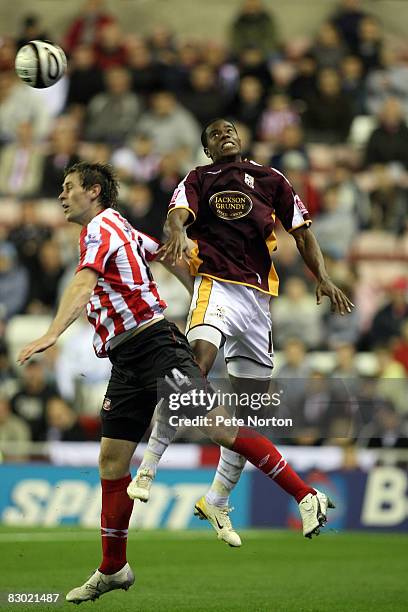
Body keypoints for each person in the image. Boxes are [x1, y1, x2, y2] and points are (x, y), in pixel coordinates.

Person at [18, 162, 335, 603]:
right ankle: (113, 568)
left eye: (68, 188)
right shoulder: (120, 227)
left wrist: (53, 332)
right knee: (111, 462)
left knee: (218, 426)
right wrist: (198, 294)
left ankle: (305, 494)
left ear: (93, 191)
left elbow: (84, 282)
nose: (61, 196)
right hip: (128, 360)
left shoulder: (99, 231)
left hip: (155, 345)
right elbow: (166, 253)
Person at [130, 118, 352, 545]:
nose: (224, 134)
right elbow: (177, 215)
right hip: (215, 286)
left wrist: (321, 277)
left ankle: (215, 500)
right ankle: (149, 466)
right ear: (208, 150)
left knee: (250, 413)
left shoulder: (271, 179)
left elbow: (303, 233)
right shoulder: (200, 178)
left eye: (229, 129)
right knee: (193, 369)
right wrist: (176, 232)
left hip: (257, 302)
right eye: (214, 134)